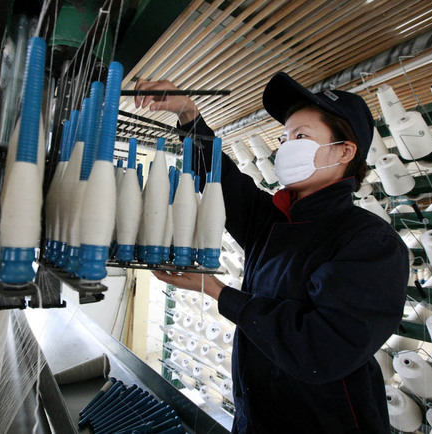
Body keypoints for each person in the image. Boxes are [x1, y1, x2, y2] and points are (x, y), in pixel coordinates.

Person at [134, 72, 409, 433]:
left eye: (301, 136)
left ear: (344, 151)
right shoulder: (275, 222)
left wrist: (217, 291)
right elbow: (223, 182)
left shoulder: (370, 242)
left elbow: (321, 349)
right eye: (284, 137)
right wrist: (188, 114)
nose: (286, 146)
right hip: (254, 421)